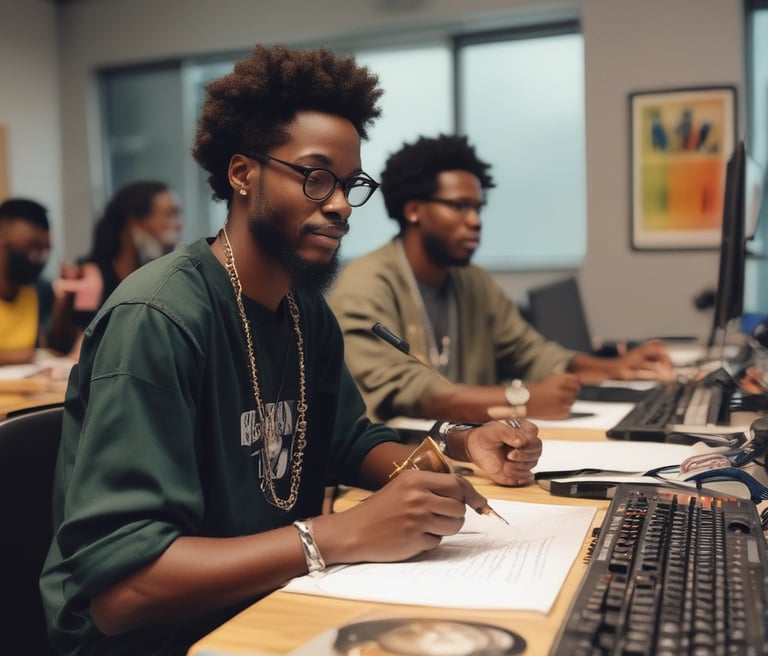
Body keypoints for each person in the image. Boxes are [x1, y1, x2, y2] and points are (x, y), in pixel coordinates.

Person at [40, 46, 542, 656]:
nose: (337, 204)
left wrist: (448, 455)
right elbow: (123, 594)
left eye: (349, 184)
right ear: (242, 173)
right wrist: (343, 534)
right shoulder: (159, 318)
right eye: (315, 177)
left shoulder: (303, 312)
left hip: (261, 601)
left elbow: (345, 441)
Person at [327, 134, 675, 424]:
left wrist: (615, 368)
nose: (475, 221)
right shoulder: (363, 286)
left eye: (478, 208)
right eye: (460, 206)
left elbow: (529, 352)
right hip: (395, 464)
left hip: (471, 448)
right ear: (414, 209)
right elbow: (407, 391)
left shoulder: (472, 282)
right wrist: (520, 400)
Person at [46, 180, 183, 356]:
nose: (179, 224)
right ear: (135, 222)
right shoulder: (90, 274)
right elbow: (63, 347)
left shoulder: (169, 276)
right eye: (171, 214)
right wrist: (62, 305)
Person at [0, 198, 52, 364]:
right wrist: (29, 356)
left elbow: (55, 348)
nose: (38, 259)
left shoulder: (38, 289)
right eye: (32, 246)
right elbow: (38, 354)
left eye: (45, 251)